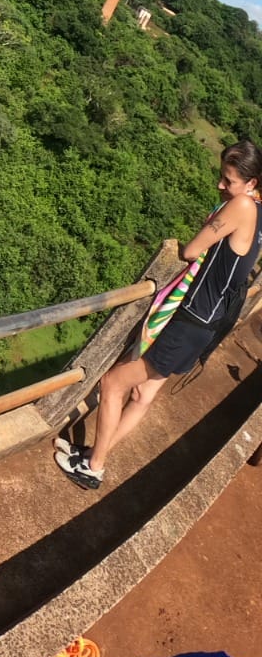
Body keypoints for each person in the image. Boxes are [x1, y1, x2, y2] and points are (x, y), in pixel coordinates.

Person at [56, 140, 262, 490]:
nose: (221, 186)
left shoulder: (241, 205)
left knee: (113, 383)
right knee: (142, 396)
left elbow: (191, 250)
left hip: (190, 321)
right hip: (206, 327)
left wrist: (212, 221)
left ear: (251, 184)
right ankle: (93, 455)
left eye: (228, 180)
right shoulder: (258, 213)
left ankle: (94, 467)